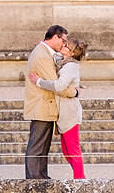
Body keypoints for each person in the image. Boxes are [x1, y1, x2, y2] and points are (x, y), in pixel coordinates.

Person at [30, 37, 87, 180]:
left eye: (66, 46)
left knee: (73, 150)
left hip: (69, 113)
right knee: (67, 151)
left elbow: (59, 86)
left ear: (72, 53)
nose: (63, 46)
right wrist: (42, 47)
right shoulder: (63, 62)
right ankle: (80, 178)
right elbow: (53, 58)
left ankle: (80, 181)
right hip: (63, 113)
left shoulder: (71, 67)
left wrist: (39, 82)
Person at [23, 24, 69, 178]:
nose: (64, 44)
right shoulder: (42, 55)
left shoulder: (45, 52)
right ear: (55, 37)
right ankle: (33, 179)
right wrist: (74, 91)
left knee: (43, 146)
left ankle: (41, 176)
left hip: (45, 107)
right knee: (37, 146)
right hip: (41, 107)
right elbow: (55, 83)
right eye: (63, 40)